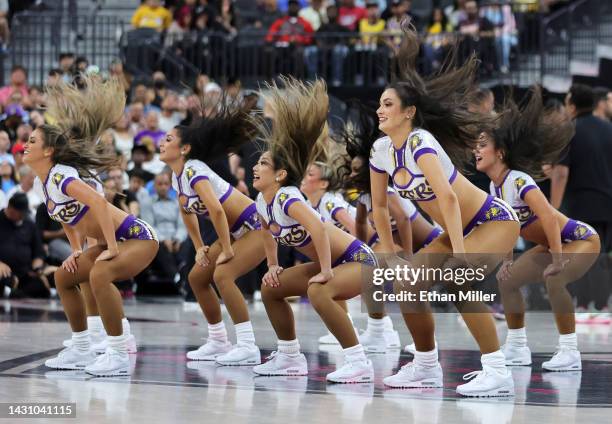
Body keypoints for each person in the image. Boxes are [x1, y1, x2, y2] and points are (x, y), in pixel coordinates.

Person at [368, 26, 519, 396]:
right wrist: (388, 252)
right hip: (457, 232)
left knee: (457, 277)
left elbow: (449, 200)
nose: (380, 109)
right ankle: (425, 366)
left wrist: (462, 253)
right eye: (380, 103)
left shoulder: (421, 142)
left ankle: (498, 371)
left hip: (494, 221)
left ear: (409, 112)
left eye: (388, 104)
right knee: (405, 282)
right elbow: (378, 203)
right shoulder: (380, 151)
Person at [27, 76, 158, 376]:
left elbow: (99, 204)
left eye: (32, 141)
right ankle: (82, 348)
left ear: (48, 151)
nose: (25, 144)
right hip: (105, 241)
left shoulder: (62, 176)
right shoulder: (41, 183)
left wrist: (110, 247)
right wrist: (76, 249)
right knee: (64, 276)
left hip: (136, 237)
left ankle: (117, 353)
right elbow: (66, 217)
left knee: (99, 273)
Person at [252, 78, 377, 383]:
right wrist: (272, 265)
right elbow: (267, 232)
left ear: (280, 175)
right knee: (271, 287)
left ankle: (359, 362)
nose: (255, 167)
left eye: (263, 163)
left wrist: (323, 269)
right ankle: (290, 357)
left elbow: (320, 230)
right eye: (256, 162)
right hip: (335, 262)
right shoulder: (262, 201)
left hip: (361, 262)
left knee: (319, 290)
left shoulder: (287, 196)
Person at [476, 86, 600, 372]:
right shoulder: (495, 188)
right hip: (551, 245)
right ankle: (517, 347)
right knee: (506, 281)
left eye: (482, 144)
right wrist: (507, 262)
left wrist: (557, 259)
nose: (476, 150)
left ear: (501, 152)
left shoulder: (519, 181)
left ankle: (570, 352)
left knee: (555, 280)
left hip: (581, 239)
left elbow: (548, 218)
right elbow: (507, 228)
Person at [159, 103, 266, 366]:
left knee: (223, 274)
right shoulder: (177, 177)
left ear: (184, 149)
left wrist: (227, 249)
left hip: (256, 227)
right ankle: (218, 341)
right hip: (236, 231)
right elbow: (187, 211)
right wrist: (198, 247)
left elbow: (217, 211)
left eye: (169, 139)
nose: (162, 142)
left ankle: (248, 346)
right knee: (196, 277)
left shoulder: (194, 169)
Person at [553, 84, 612, 323]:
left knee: (583, 255)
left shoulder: (569, 131)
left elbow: (560, 173)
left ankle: (588, 305)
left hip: (581, 204)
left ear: (573, 106)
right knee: (603, 254)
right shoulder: (609, 129)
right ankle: (603, 305)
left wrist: (552, 209)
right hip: (608, 204)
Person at [0, 193, 48, 299]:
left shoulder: (29, 224)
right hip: (4, 272)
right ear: (11, 209)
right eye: (20, 213)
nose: (23, 216)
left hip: (24, 273)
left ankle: (14, 293)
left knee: (40, 285)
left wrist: (37, 269)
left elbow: (38, 252)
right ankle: (11, 291)